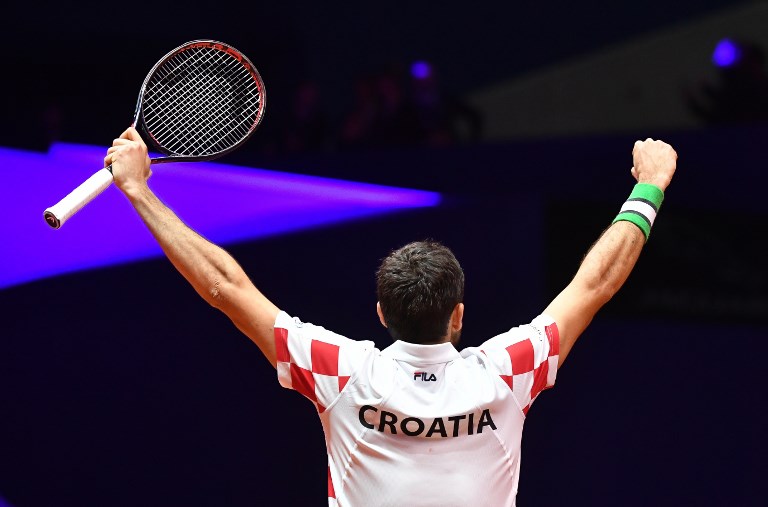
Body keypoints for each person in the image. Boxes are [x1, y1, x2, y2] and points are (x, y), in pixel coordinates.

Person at [105, 128, 677, 506]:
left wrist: (139, 191)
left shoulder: (342, 372)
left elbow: (224, 286)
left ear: (380, 313)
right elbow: (596, 283)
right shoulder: (506, 373)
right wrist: (650, 185)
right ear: (459, 316)